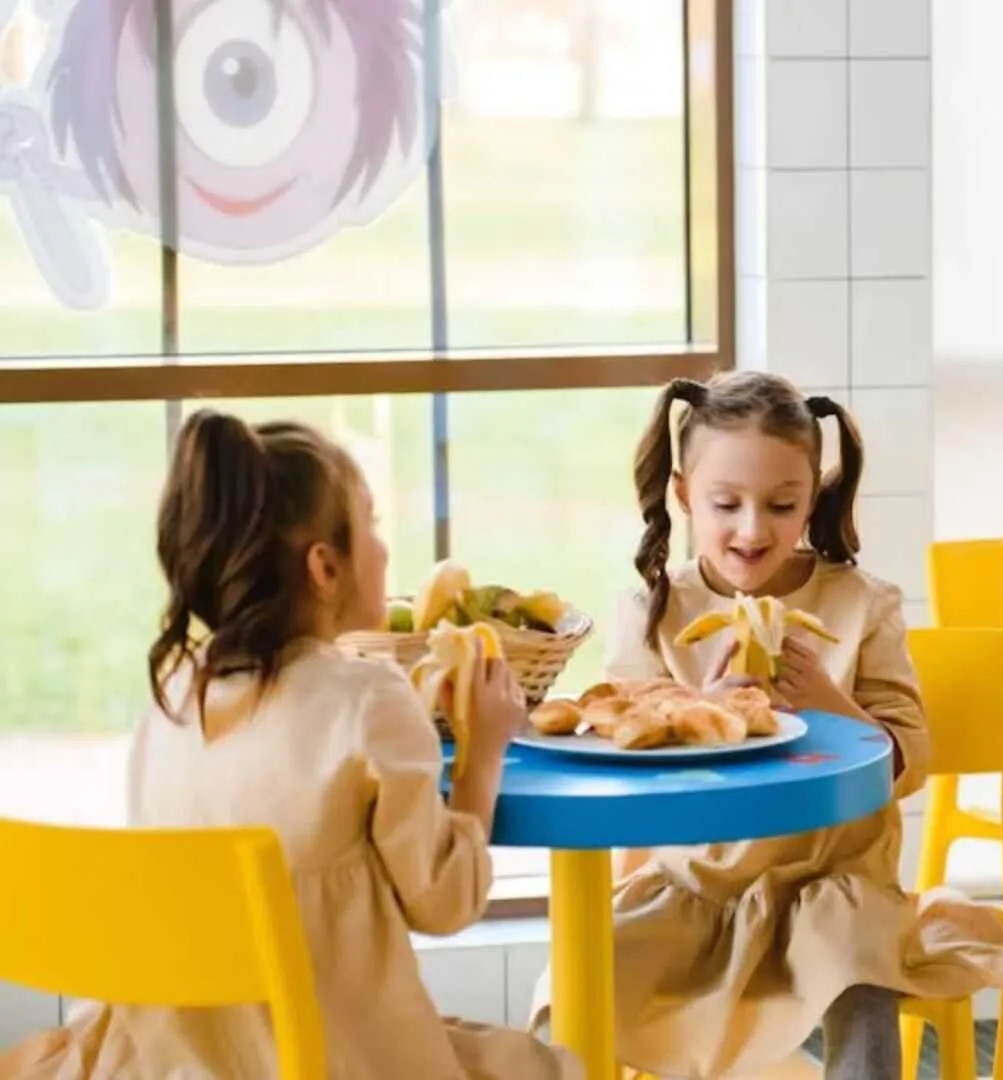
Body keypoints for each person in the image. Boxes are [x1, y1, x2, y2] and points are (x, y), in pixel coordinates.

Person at [0, 411, 578, 1080]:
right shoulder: (370, 701)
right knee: (551, 1067)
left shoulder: (173, 697)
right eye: (373, 525)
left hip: (168, 1064)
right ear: (326, 567)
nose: (387, 550)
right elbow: (445, 903)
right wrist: (483, 755)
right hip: (326, 1059)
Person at [528, 372, 1003, 1079]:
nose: (753, 529)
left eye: (782, 504)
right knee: (569, 1000)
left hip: (832, 887)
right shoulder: (650, 611)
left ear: (812, 498)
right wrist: (704, 711)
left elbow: (908, 755)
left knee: (862, 991)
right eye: (725, 504)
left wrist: (828, 703)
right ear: (682, 494)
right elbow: (625, 762)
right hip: (692, 889)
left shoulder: (862, 604)